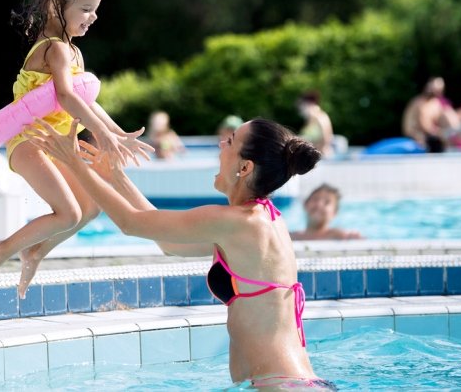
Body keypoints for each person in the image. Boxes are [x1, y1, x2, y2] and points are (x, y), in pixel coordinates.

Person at [27, 117, 336, 390]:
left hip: (279, 386)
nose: (220, 144)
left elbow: (130, 223)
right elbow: (169, 243)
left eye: (230, 142)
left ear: (245, 167)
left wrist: (76, 164)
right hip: (294, 382)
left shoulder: (236, 223)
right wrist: (116, 177)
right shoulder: (262, 220)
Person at [0, 0, 152, 298]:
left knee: (91, 206)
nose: (93, 17)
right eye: (85, 9)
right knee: (68, 214)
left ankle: (35, 251)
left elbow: (87, 100)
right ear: (56, 5)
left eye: (95, 9)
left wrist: (116, 131)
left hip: (55, 143)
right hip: (29, 142)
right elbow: (66, 96)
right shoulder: (54, 50)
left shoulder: (74, 52)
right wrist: (105, 133)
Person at [401, 77, 459, 152]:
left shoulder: (435, 103)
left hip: (427, 135)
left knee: (445, 140)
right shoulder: (419, 103)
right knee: (437, 141)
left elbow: (443, 120)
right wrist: (438, 132)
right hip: (415, 135)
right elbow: (424, 125)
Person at [290, 184, 362, 240]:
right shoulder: (292, 237)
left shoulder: (338, 236)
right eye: (315, 199)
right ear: (305, 205)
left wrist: (353, 238)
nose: (319, 204)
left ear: (335, 213)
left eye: (327, 202)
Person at [297, 91, 334, 158]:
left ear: (309, 104)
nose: (300, 108)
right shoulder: (311, 119)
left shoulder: (319, 117)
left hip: (320, 156)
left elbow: (326, 138)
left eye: (302, 105)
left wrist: (316, 152)